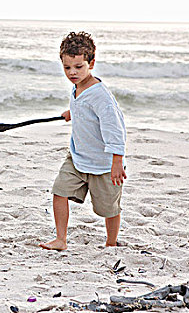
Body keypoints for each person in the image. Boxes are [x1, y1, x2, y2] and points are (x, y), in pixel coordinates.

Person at [39, 31, 127, 251]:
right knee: (59, 191)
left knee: (109, 208)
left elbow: (114, 129)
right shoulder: (78, 87)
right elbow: (83, 104)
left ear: (92, 63)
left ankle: (111, 242)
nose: (72, 73)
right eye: (67, 67)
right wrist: (73, 111)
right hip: (78, 157)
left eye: (78, 67)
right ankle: (61, 239)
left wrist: (117, 161)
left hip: (104, 164)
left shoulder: (101, 96)